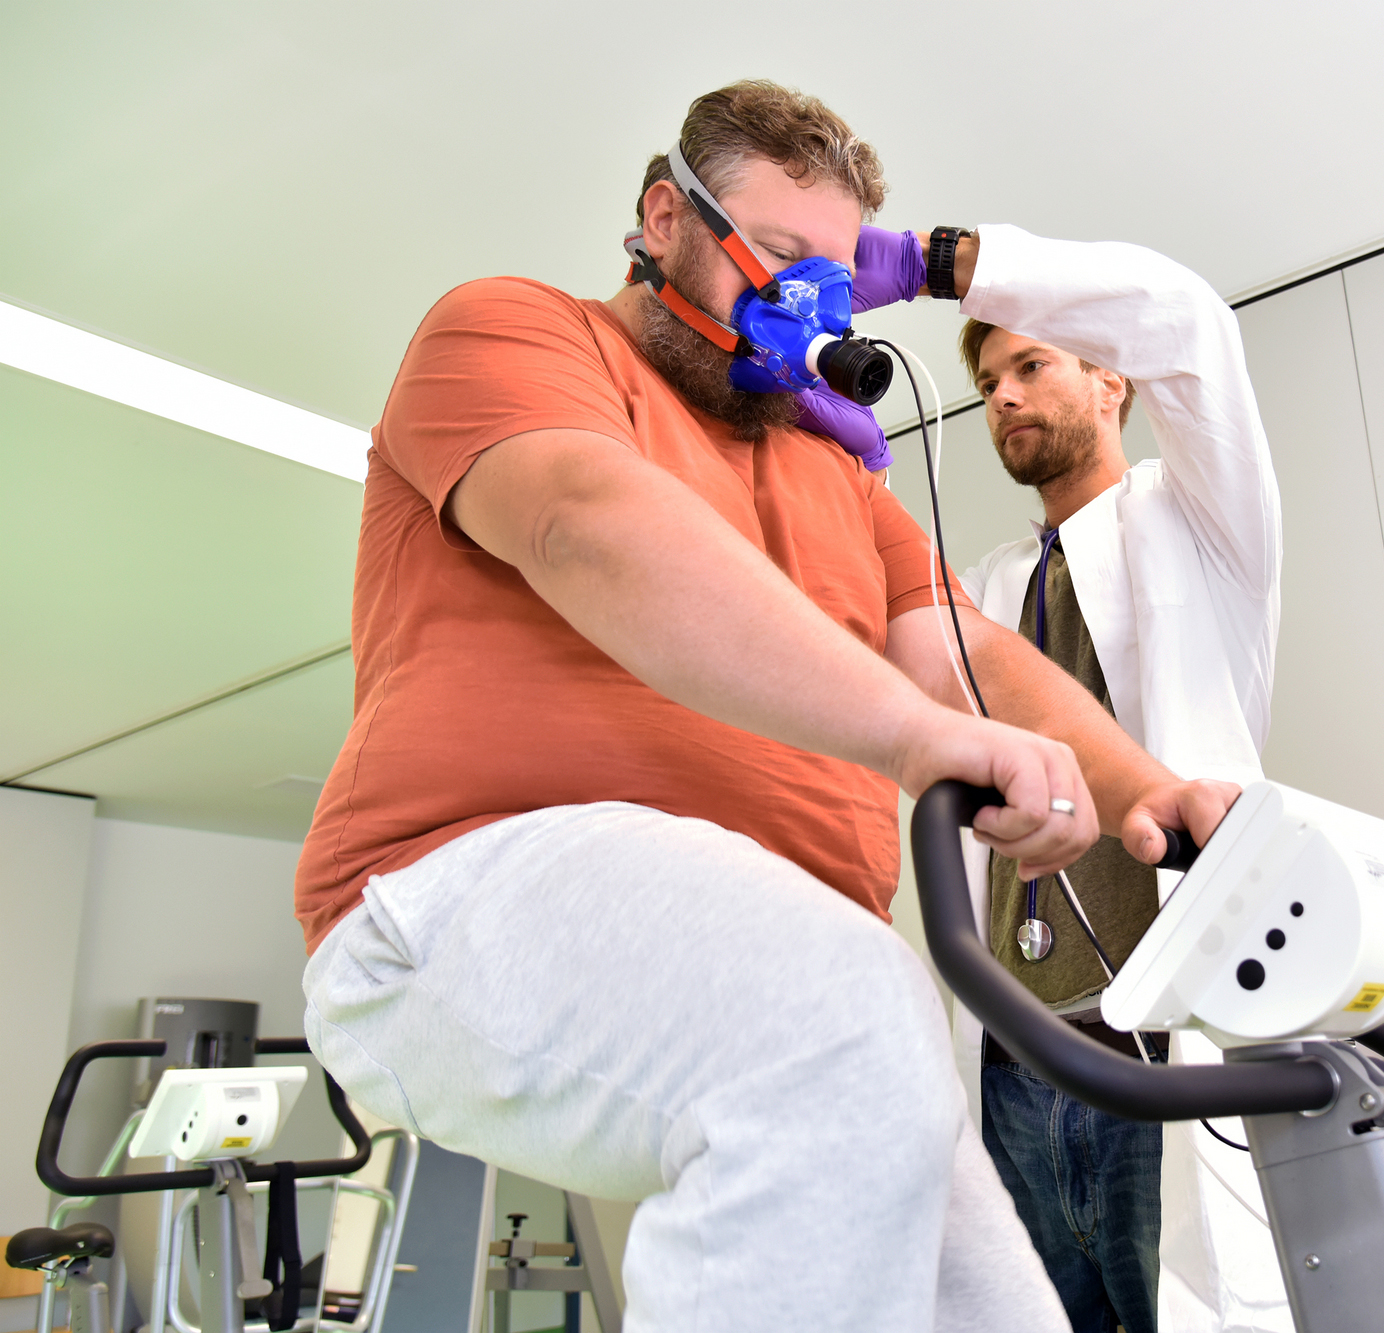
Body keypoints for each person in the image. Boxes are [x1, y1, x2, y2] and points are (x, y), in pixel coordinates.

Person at [291, 80, 1236, 1333]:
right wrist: (913, 737)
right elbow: (584, 523)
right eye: (779, 257)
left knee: (1000, 1306)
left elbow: (965, 654)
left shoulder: (829, 467)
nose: (805, 303)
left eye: (833, 278)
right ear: (662, 219)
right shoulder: (517, 332)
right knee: (845, 1021)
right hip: (448, 899)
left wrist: (1148, 791)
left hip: (790, 953)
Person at [843, 226, 1288, 1331]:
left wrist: (937, 262)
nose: (1002, 397)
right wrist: (837, 480)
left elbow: (1190, 322)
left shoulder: (1203, 536)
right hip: (1013, 1066)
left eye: (1031, 364)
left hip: (1158, 1062)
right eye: (987, 381)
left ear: (1108, 375)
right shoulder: (983, 589)